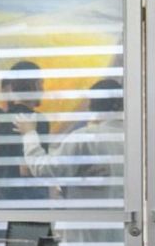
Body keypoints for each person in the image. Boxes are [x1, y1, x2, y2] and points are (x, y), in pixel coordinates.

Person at [15, 78, 124, 206]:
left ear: (91, 107)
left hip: (84, 222)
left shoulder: (86, 138)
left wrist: (29, 134)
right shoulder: (134, 141)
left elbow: (44, 169)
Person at [0, 60, 50, 205]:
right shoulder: (37, 120)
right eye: (41, 83)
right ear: (35, 85)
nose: (43, 90)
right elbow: (30, 169)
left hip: (1, 199)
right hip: (28, 203)